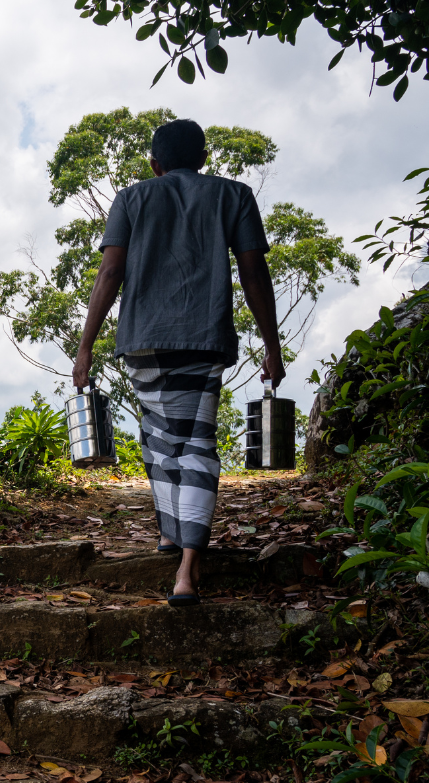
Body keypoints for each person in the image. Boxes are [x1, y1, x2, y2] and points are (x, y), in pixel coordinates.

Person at [71, 118, 284, 607]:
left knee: (168, 440)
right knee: (185, 441)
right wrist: (271, 347)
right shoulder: (233, 195)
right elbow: (254, 273)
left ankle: (183, 559)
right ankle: (177, 545)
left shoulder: (132, 198)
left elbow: (110, 272)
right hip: (203, 337)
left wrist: (85, 347)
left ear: (155, 163)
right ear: (204, 159)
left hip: (144, 340)